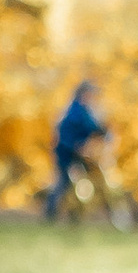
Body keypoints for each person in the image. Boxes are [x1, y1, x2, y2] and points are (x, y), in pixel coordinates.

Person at [43, 75, 110, 218]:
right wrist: (76, 146)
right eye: (90, 93)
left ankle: (77, 212)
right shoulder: (75, 110)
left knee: (82, 180)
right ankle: (52, 213)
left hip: (76, 152)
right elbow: (77, 130)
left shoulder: (83, 110)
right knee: (64, 182)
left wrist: (103, 133)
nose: (92, 97)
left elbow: (93, 127)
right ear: (83, 93)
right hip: (66, 152)